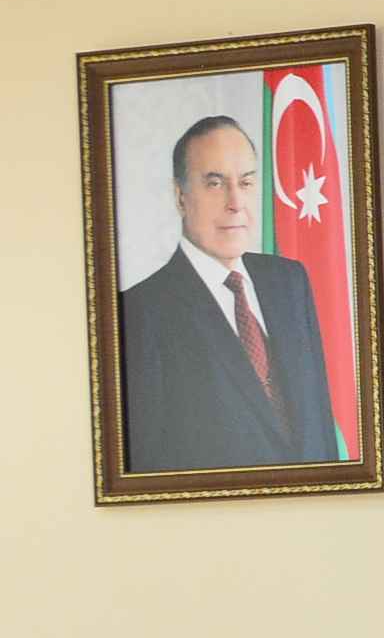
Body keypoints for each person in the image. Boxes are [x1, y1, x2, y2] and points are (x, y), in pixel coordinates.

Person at [117, 115, 342, 472]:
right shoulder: (138, 312)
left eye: (246, 182)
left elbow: (320, 422)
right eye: (215, 183)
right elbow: (148, 466)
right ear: (180, 197)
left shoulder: (290, 281)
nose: (236, 202)